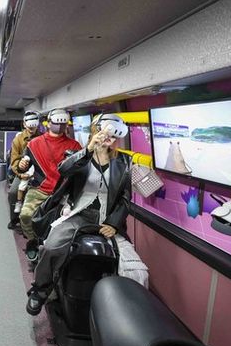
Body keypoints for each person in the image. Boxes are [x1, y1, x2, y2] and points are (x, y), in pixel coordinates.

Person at [26, 114, 149, 316]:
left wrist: (114, 223)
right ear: (95, 131)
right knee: (52, 246)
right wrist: (89, 149)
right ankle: (41, 289)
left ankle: (128, 314)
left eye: (114, 136)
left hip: (107, 220)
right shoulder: (77, 155)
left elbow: (125, 199)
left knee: (136, 269)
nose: (109, 138)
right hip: (79, 214)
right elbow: (64, 170)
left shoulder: (124, 162)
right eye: (106, 132)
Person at [18, 109, 81, 261]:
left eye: (63, 124)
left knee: (61, 223)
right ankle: (33, 240)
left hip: (63, 192)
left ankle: (54, 248)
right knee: (25, 215)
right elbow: (24, 166)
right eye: (56, 123)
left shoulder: (74, 146)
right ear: (48, 123)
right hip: (39, 189)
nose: (59, 127)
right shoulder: (34, 144)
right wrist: (21, 166)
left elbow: (80, 171)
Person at [8, 111, 42, 230]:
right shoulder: (18, 140)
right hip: (23, 173)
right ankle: (14, 219)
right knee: (13, 192)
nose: (31, 128)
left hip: (40, 173)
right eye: (29, 125)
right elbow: (14, 160)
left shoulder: (43, 138)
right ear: (24, 124)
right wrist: (20, 173)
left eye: (34, 125)